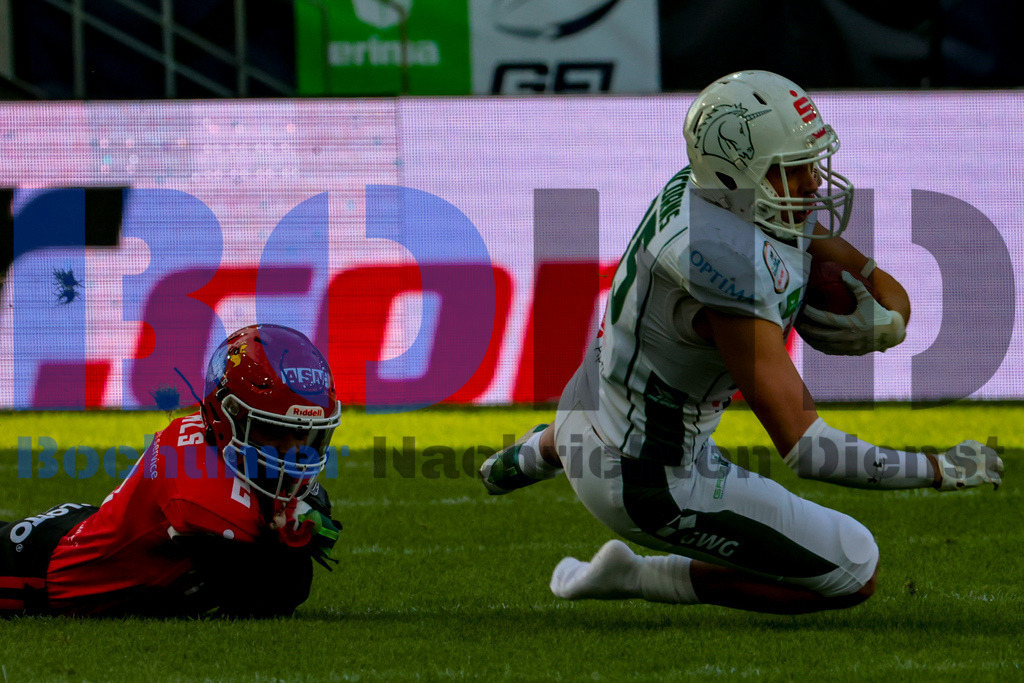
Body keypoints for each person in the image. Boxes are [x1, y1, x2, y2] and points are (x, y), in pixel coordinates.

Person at [480, 70, 1003, 614]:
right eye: (793, 169)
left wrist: (874, 285)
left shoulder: (700, 185)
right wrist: (937, 470)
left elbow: (843, 261)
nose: (812, 184)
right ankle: (632, 576)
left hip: (587, 402)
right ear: (740, 171)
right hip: (646, 481)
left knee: (617, 410)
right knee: (855, 569)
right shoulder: (726, 268)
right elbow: (810, 450)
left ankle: (535, 453)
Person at [1, 324, 343, 617]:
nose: (291, 451)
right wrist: (292, 540)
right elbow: (267, 597)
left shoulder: (214, 439)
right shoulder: (197, 492)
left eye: (302, 434)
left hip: (95, 527)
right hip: (46, 571)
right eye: (274, 432)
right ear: (229, 416)